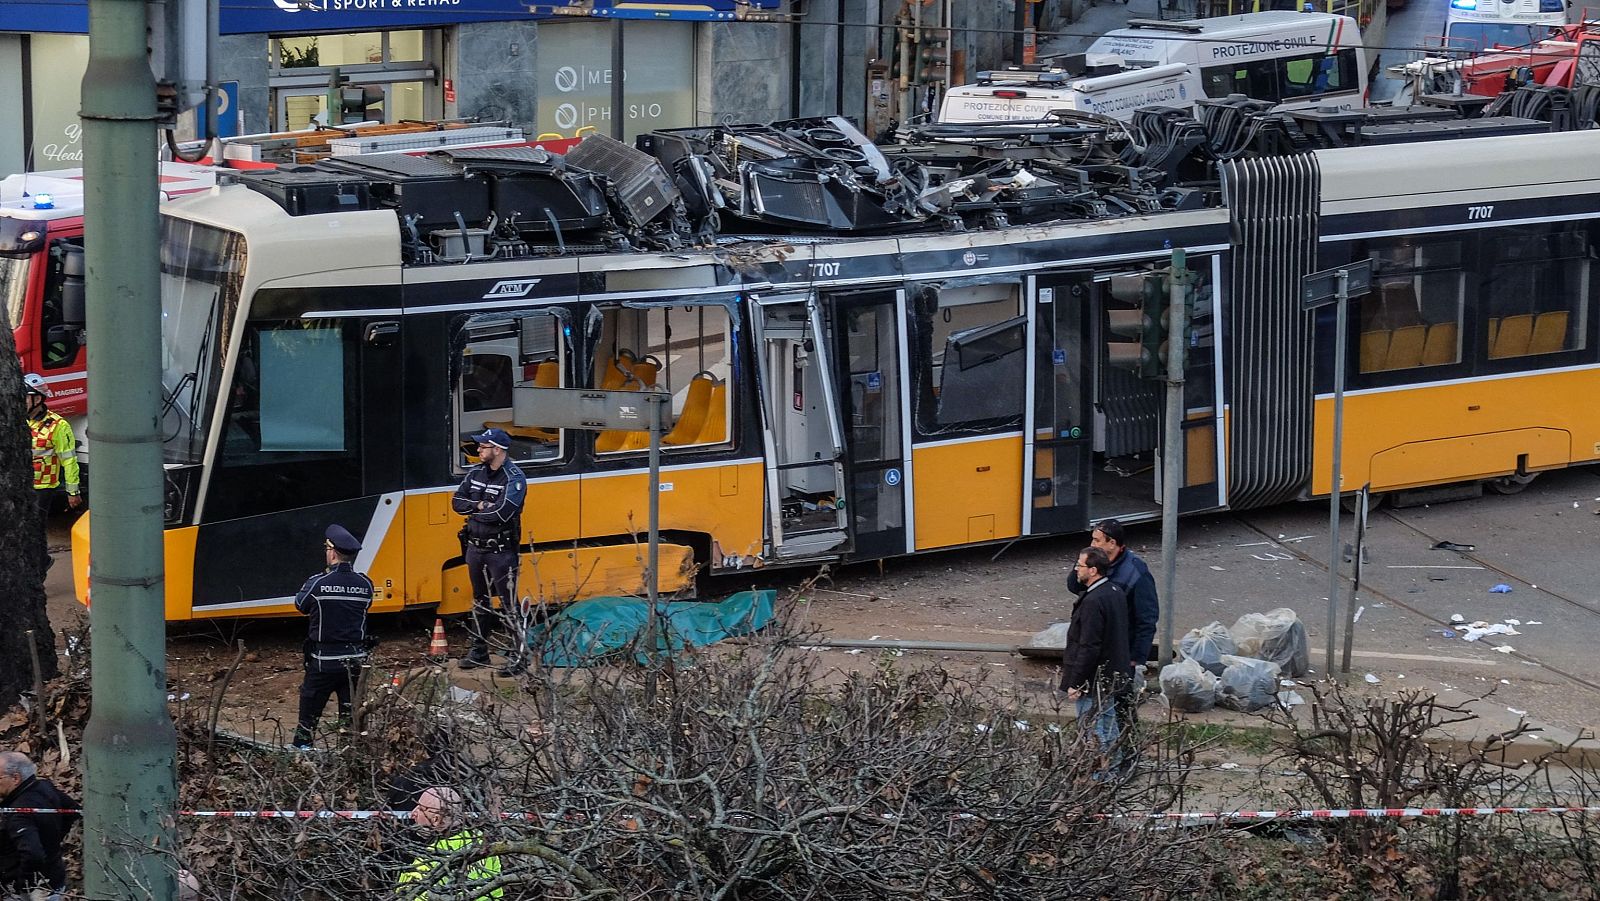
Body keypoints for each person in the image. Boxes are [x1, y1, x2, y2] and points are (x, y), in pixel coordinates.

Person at [292, 524, 375, 749]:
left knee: (309, 715)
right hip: (355, 661)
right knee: (350, 718)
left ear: (332, 552)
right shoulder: (365, 584)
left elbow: (300, 605)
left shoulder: (318, 583)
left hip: (323, 662)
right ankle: (349, 754)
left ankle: (302, 751)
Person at [451, 428, 526, 673]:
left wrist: (474, 511)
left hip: (501, 551)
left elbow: (502, 513)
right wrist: (481, 505)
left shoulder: (514, 478)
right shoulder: (475, 473)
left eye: (483, 446)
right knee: (480, 601)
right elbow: (456, 502)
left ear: (498, 449)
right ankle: (479, 652)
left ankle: (519, 657)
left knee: (508, 603)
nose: (479, 450)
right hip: (475, 548)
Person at [1060, 547, 1132, 757]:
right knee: (1109, 724)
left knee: (1091, 729)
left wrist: (1077, 682)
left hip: (1092, 679)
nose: (1076, 569)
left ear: (1093, 570)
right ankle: (1112, 769)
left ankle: (1097, 771)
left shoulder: (1093, 601)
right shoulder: (1114, 591)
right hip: (1110, 676)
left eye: (1080, 565)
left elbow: (1089, 645)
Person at [1066, 519, 1159, 678]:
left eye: (1097, 540)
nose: (1092, 544)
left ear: (1112, 543)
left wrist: (1136, 658)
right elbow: (1074, 587)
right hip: (1093, 643)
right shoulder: (1092, 559)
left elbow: (1147, 619)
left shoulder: (1136, 572)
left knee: (1113, 691)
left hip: (1119, 648)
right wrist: (1081, 567)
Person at [396, 786, 503, 901]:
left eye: (421, 809)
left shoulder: (429, 858)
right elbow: (497, 891)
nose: (413, 813)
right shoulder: (484, 841)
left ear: (436, 819)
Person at [0, 751, 79, 901]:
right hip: (54, 877)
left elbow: (33, 855)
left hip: (33, 891)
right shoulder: (44, 787)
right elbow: (73, 811)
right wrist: (52, 839)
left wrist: (22, 886)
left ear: (15, 778)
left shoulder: (20, 813)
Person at [24, 374, 81, 574]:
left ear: (38, 399)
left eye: (25, 397)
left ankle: (40, 567)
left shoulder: (57, 426)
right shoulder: (17, 421)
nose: (20, 402)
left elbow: (69, 460)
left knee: (36, 529)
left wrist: (73, 491)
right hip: (22, 485)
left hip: (43, 486)